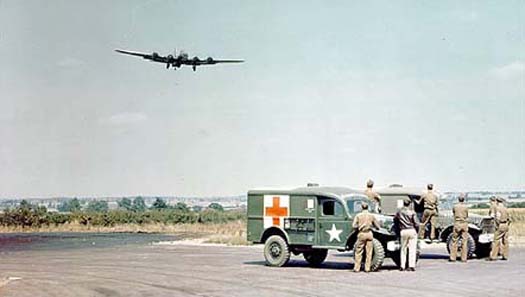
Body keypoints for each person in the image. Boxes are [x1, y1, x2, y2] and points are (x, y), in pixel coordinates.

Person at [352, 202, 380, 272]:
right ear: (368, 207)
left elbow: (353, 225)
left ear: (362, 207)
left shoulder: (358, 215)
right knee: (369, 252)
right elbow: (377, 226)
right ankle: (367, 268)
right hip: (369, 234)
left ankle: (357, 268)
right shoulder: (371, 216)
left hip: (362, 233)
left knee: (358, 251)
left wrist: (359, 227)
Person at [394, 198, 419, 271]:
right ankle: (411, 266)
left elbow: (395, 220)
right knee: (412, 249)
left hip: (403, 231)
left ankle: (402, 266)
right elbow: (416, 223)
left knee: (403, 249)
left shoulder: (399, 212)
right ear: (409, 204)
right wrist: (416, 231)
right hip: (411, 230)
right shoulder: (412, 212)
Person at [449, 194, 469, 262]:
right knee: (464, 241)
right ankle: (464, 258)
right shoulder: (466, 207)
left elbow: (454, 213)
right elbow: (467, 215)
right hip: (464, 223)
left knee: (454, 240)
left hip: (457, 223)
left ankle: (452, 257)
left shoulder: (455, 206)